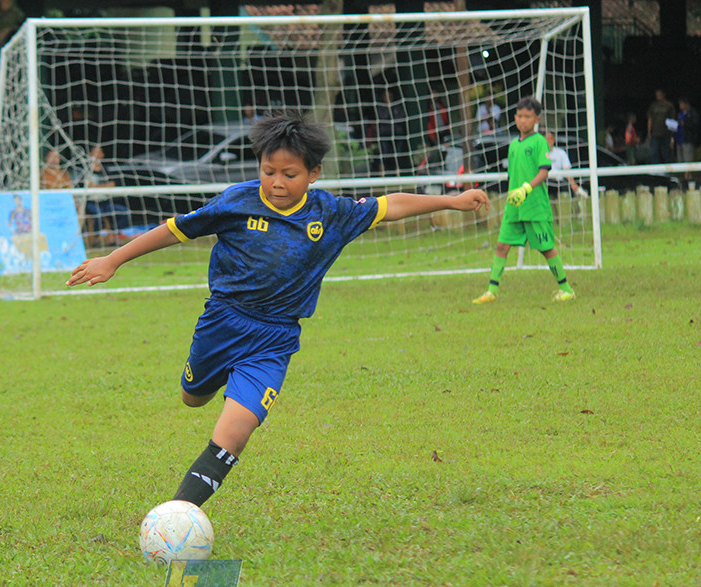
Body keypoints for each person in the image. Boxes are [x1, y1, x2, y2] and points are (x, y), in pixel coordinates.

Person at [67, 112, 489, 508]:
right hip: (222, 322)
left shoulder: (330, 213)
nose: (277, 182)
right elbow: (176, 229)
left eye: (290, 174)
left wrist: (451, 202)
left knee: (235, 433)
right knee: (192, 398)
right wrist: (114, 259)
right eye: (269, 172)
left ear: (313, 174)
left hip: (274, 338)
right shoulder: (237, 201)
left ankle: (179, 516)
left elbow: (389, 205)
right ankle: (209, 385)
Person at [473, 97, 576, 305]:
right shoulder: (512, 146)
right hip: (514, 207)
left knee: (546, 248)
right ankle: (491, 291)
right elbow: (512, 176)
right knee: (501, 246)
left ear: (536, 118)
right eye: (519, 116)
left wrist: (527, 188)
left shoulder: (539, 141)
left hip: (535, 206)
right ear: (514, 117)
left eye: (527, 116)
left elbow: (544, 172)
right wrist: (513, 192)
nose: (523, 120)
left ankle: (566, 289)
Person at [84, 144, 132, 244]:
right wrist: (104, 185)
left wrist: (97, 186)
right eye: (96, 152)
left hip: (105, 202)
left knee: (125, 212)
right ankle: (95, 239)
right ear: (90, 154)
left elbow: (112, 184)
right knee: (98, 214)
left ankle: (113, 235)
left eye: (100, 152)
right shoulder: (85, 170)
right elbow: (89, 186)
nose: (98, 155)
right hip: (90, 202)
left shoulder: (106, 170)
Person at [376, 87, 409, 176]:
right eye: (386, 96)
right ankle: (382, 174)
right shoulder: (380, 107)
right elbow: (382, 118)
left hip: (397, 133)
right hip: (385, 134)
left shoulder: (398, 106)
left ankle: (397, 174)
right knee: (384, 153)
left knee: (397, 154)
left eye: (389, 95)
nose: (388, 97)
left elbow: (401, 118)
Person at [545, 131, 586, 197]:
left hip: (559, 183)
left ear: (554, 139)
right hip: (545, 182)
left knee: (567, 189)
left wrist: (573, 184)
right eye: (547, 139)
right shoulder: (540, 154)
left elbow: (567, 170)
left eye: (551, 138)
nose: (549, 141)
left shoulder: (561, 152)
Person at [646, 88, 676, 164]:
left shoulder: (669, 105)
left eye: (659, 94)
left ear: (663, 95)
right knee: (654, 152)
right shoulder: (653, 106)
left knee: (666, 153)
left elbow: (672, 119)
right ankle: (656, 172)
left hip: (666, 134)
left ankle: (668, 172)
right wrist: (649, 132)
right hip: (655, 133)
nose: (658, 96)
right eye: (657, 95)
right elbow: (650, 119)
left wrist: (672, 136)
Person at [674, 96, 700, 180]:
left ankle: (687, 178)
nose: (680, 106)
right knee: (681, 161)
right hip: (679, 140)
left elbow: (695, 126)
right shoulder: (680, 114)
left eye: (681, 104)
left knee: (688, 161)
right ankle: (683, 178)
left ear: (686, 104)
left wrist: (684, 124)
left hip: (688, 140)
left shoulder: (693, 113)